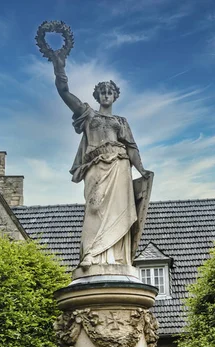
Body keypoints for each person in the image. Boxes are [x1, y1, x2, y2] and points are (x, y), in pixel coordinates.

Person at [52, 53, 150, 268]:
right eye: (103, 92)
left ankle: (117, 258)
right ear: (97, 96)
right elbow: (64, 92)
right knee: (94, 208)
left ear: (115, 96)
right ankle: (91, 254)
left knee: (118, 210)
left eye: (110, 92)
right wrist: (59, 68)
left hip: (120, 165)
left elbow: (131, 147)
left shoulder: (120, 121)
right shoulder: (88, 115)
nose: (106, 95)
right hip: (96, 165)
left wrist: (142, 171)